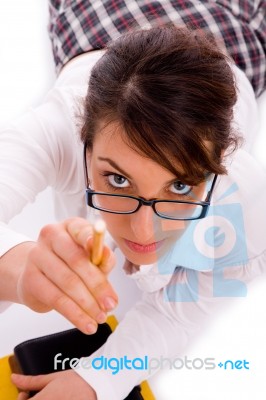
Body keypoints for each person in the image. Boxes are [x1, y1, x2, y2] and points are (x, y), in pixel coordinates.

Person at [0, 1, 265, 399]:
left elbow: (178, 314)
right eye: (118, 179)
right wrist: (14, 269)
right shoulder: (55, 127)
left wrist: (95, 381)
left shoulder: (246, 200)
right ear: (83, 138)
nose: (144, 234)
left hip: (226, 23)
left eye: (180, 187)